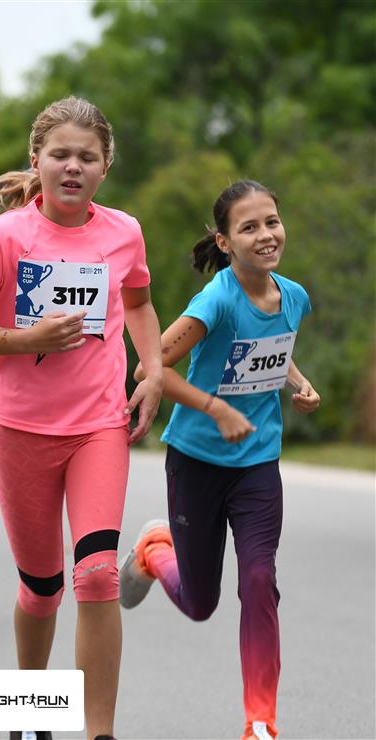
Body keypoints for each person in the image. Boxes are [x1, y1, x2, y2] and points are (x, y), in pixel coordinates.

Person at [0, 96, 163, 740]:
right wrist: (25, 339)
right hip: (22, 429)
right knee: (42, 588)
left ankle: (98, 732)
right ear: (36, 160)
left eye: (87, 157)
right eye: (60, 155)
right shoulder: (5, 237)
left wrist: (152, 370)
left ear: (105, 167)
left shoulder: (124, 232)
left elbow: (140, 304)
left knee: (96, 574)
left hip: (99, 426)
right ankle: (30, 708)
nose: (73, 166)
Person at [118, 180, 321, 740]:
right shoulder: (216, 301)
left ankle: (260, 722)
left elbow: (274, 351)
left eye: (271, 222)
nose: (266, 235)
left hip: (257, 463)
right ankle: (155, 550)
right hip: (198, 462)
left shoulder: (294, 296)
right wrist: (214, 408)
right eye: (249, 227)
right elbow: (149, 368)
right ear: (225, 242)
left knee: (259, 578)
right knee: (200, 602)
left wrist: (300, 384)